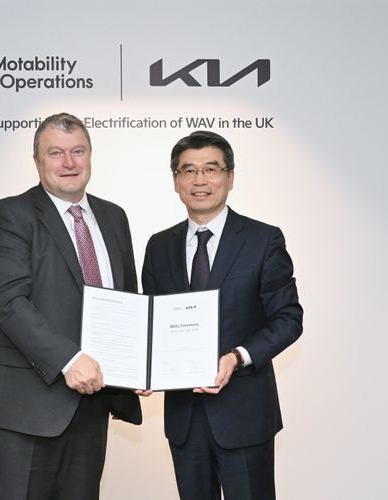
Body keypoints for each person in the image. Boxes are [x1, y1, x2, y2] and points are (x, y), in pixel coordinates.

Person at [0, 112, 142, 500]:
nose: (69, 162)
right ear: (37, 161)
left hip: (93, 405)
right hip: (27, 409)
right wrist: (70, 360)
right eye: (56, 153)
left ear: (90, 156)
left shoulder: (114, 217)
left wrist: (136, 362)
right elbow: (7, 301)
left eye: (78, 151)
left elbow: (125, 301)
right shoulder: (10, 215)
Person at [140, 131, 303, 500]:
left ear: (230, 177)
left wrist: (236, 357)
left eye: (211, 169)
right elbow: (151, 321)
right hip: (184, 419)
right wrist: (143, 366)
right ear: (175, 181)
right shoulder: (159, 246)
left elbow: (288, 319)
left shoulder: (263, 240)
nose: (200, 180)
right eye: (189, 170)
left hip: (244, 415)